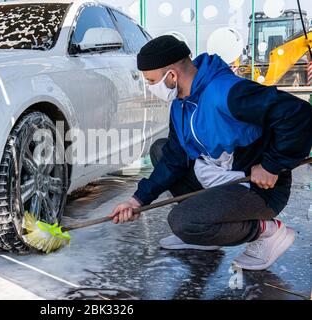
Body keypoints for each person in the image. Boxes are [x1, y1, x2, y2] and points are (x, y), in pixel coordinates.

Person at [110, 35, 312, 271]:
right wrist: (138, 199)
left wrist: (272, 165)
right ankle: (203, 236)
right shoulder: (180, 105)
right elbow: (174, 158)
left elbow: (299, 115)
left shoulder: (226, 92)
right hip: (218, 175)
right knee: (162, 150)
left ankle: (267, 233)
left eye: (151, 81)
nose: (150, 87)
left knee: (182, 221)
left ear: (172, 76)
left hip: (258, 188)